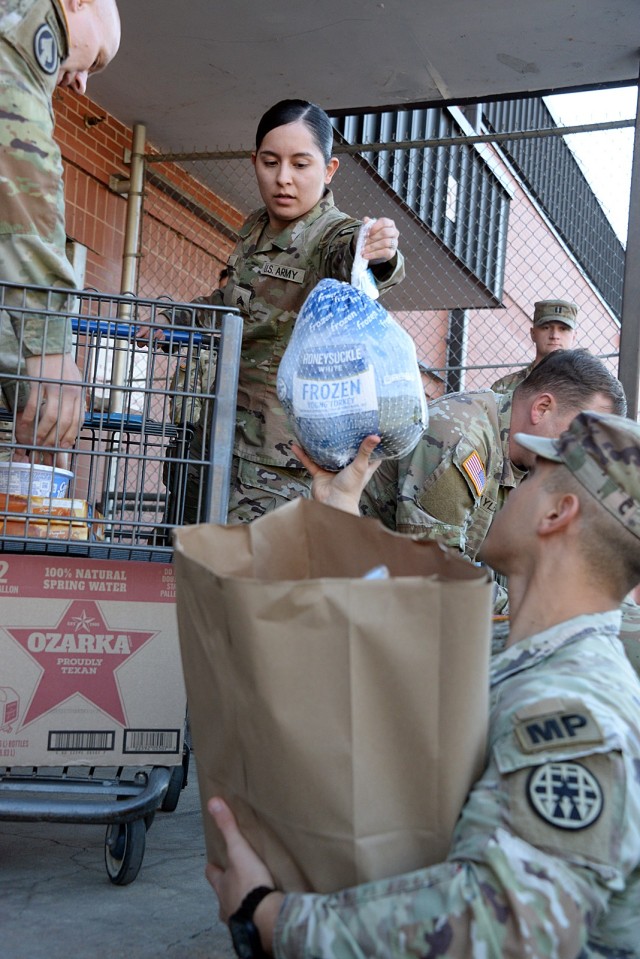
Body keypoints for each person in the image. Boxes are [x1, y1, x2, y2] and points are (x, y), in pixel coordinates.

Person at [205, 409, 640, 957]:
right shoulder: (521, 656)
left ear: (556, 513)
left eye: (530, 477)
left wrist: (267, 916)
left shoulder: (572, 704)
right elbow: (389, 635)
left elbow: (510, 926)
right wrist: (338, 514)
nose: (510, 488)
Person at [149, 98, 404, 525]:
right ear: (254, 163)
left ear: (329, 170)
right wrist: (170, 322)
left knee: (249, 579)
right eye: (270, 162)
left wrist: (376, 252)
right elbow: (233, 305)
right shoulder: (256, 227)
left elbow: (357, 253)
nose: (283, 179)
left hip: (273, 465)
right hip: (213, 437)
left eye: (301, 165)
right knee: (183, 565)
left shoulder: (330, 234)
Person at [360, 347, 626, 561]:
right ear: (542, 408)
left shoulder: (522, 458)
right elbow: (435, 569)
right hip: (349, 570)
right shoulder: (462, 438)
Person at [0, 0, 121, 459]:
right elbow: (19, 174)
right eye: (98, 59)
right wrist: (50, 351)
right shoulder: (18, 37)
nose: (82, 80)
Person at [490, 298, 578, 395]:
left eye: (563, 329)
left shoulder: (586, 387)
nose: (554, 336)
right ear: (533, 334)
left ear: (574, 336)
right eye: (546, 328)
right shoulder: (504, 388)